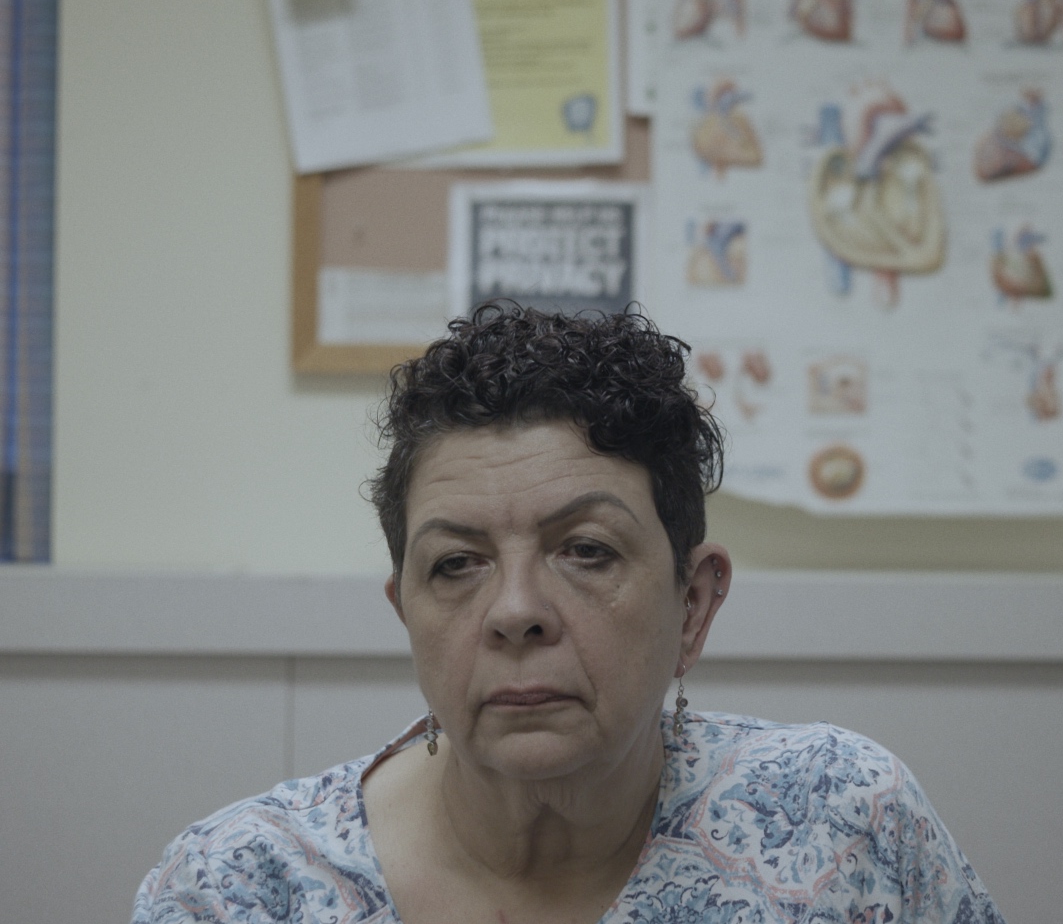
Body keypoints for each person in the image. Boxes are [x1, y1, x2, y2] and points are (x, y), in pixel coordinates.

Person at [133, 304, 1006, 924]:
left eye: (585, 551)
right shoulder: (240, 889)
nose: (515, 613)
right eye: (456, 564)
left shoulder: (842, 823)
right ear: (406, 614)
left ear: (692, 605)